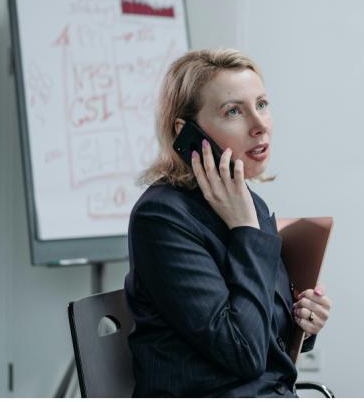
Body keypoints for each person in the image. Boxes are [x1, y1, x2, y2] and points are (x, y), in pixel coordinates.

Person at [125, 49, 332, 397]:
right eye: (234, 111)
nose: (259, 124)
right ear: (186, 131)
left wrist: (303, 324)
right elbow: (243, 352)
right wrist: (247, 231)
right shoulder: (162, 218)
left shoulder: (246, 204)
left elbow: (261, 331)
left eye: (262, 104)